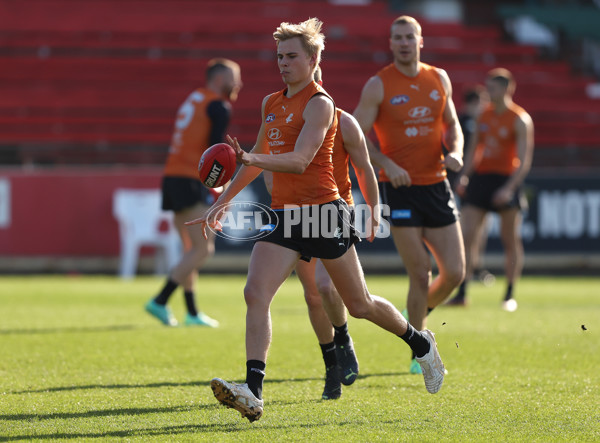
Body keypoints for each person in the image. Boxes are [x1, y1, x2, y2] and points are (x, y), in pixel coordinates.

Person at [186, 17, 446, 423]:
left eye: (291, 56)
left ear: (312, 58)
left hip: (326, 215)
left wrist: (252, 158)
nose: (283, 63)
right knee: (255, 293)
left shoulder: (321, 104)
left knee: (358, 304)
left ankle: (420, 343)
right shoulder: (271, 103)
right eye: (279, 56)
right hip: (285, 215)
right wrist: (222, 201)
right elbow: (254, 158)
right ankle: (253, 392)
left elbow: (300, 160)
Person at [352, 15, 465, 375]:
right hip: (400, 189)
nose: (403, 42)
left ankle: (413, 319)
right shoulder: (378, 84)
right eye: (397, 37)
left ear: (420, 41)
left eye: (409, 37)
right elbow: (355, 135)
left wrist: (457, 150)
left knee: (455, 274)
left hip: (437, 184)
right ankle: (421, 351)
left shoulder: (438, 77)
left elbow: (453, 124)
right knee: (420, 272)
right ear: (391, 43)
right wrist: (386, 162)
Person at [263, 67, 378, 400]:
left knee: (329, 288)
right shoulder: (284, 120)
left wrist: (373, 211)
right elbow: (271, 164)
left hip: (332, 213)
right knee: (312, 294)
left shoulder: (342, 120)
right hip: (296, 213)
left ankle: (342, 337)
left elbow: (365, 169)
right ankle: (331, 366)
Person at [144, 58, 242, 327]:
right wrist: (223, 192)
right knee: (203, 249)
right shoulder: (218, 106)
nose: (239, 84)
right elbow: (215, 156)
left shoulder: (196, 98)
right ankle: (161, 300)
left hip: (172, 176)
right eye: (235, 78)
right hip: (189, 178)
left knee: (190, 249)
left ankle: (191, 312)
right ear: (220, 79)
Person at [449, 68, 534, 312]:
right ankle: (462, 292)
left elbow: (524, 160)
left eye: (493, 88)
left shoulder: (519, 118)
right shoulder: (483, 116)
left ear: (508, 89)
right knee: (466, 236)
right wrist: (464, 177)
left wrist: (509, 189)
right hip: (482, 179)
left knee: (510, 240)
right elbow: (474, 152)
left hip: (505, 179)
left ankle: (509, 293)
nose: (488, 92)